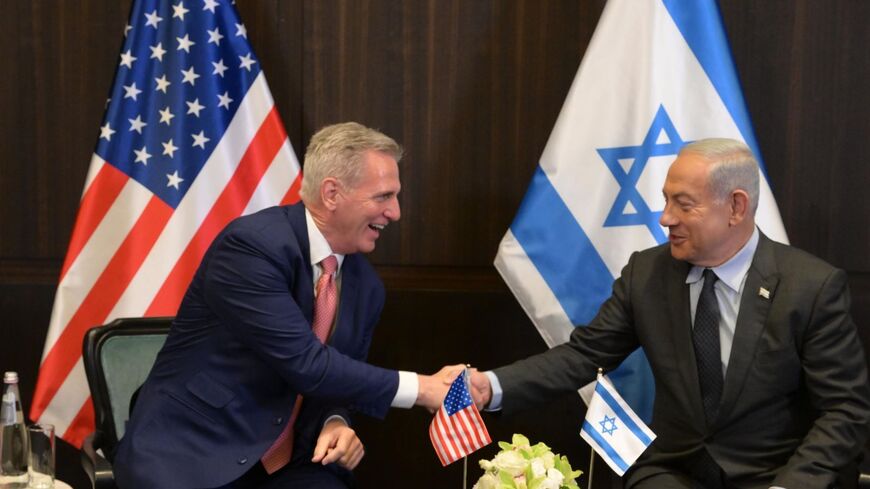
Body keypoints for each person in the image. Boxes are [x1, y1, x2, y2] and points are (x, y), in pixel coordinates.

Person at [468, 138, 870, 489]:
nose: (665, 218)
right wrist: (491, 385)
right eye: (666, 199)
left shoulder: (810, 287)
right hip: (674, 474)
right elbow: (583, 356)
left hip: (774, 475)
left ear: (736, 207)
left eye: (684, 204)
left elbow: (845, 409)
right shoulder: (648, 273)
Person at [114, 122, 457, 489]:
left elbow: (338, 377)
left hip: (290, 463)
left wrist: (334, 421)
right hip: (192, 451)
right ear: (331, 193)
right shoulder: (250, 248)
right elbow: (306, 363)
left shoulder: (365, 286)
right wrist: (422, 388)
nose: (395, 212)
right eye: (383, 197)